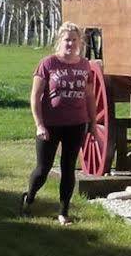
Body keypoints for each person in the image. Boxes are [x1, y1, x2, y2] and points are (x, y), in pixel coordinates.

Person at [24, 21, 102, 225]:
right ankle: (29, 198)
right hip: (50, 124)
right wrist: (39, 124)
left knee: (68, 168)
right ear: (60, 41)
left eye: (74, 40)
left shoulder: (84, 65)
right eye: (67, 40)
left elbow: (89, 97)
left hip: (76, 124)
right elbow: (35, 97)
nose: (71, 44)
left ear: (80, 43)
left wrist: (92, 124)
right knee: (43, 169)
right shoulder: (48, 63)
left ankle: (63, 211)